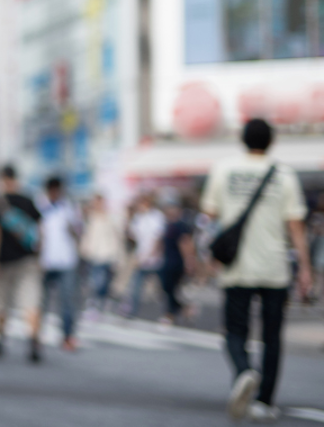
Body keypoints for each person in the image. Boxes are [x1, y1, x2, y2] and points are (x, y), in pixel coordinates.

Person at [202, 119, 311, 423]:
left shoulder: (224, 170)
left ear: (243, 140)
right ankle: (265, 401)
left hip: (236, 265)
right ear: (271, 141)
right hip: (275, 266)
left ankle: (243, 371)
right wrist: (305, 268)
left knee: (235, 330)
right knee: (272, 336)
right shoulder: (284, 175)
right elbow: (296, 226)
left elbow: (209, 215)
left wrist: (208, 257)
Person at [0, 165, 43, 363]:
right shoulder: (28, 200)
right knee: (31, 301)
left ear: (2, 179)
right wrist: (39, 255)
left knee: (1, 301)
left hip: (3, 261)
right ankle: (33, 339)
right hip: (28, 259)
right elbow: (39, 231)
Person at [37, 177, 82, 351]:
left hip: (66, 260)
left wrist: (73, 227)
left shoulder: (69, 207)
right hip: (45, 260)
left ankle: (68, 336)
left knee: (67, 300)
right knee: (41, 301)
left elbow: (78, 231)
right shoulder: (39, 206)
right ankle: (36, 335)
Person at [157, 189, 197, 326]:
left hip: (177, 261)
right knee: (167, 288)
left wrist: (189, 261)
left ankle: (170, 314)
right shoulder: (167, 223)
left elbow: (185, 244)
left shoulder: (181, 225)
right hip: (167, 260)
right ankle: (182, 309)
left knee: (172, 288)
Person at [79, 193, 123, 317]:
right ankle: (95, 302)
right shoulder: (91, 217)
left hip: (108, 253)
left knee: (105, 281)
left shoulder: (110, 217)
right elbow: (87, 235)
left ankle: (101, 302)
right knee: (96, 280)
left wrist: (118, 254)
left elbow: (117, 236)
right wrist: (84, 248)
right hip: (94, 253)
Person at [127, 192, 167, 318]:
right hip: (140, 257)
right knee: (136, 286)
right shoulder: (138, 217)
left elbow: (158, 238)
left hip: (155, 258)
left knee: (163, 287)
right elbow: (132, 235)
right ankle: (133, 310)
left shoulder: (157, 216)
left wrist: (151, 253)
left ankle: (168, 311)